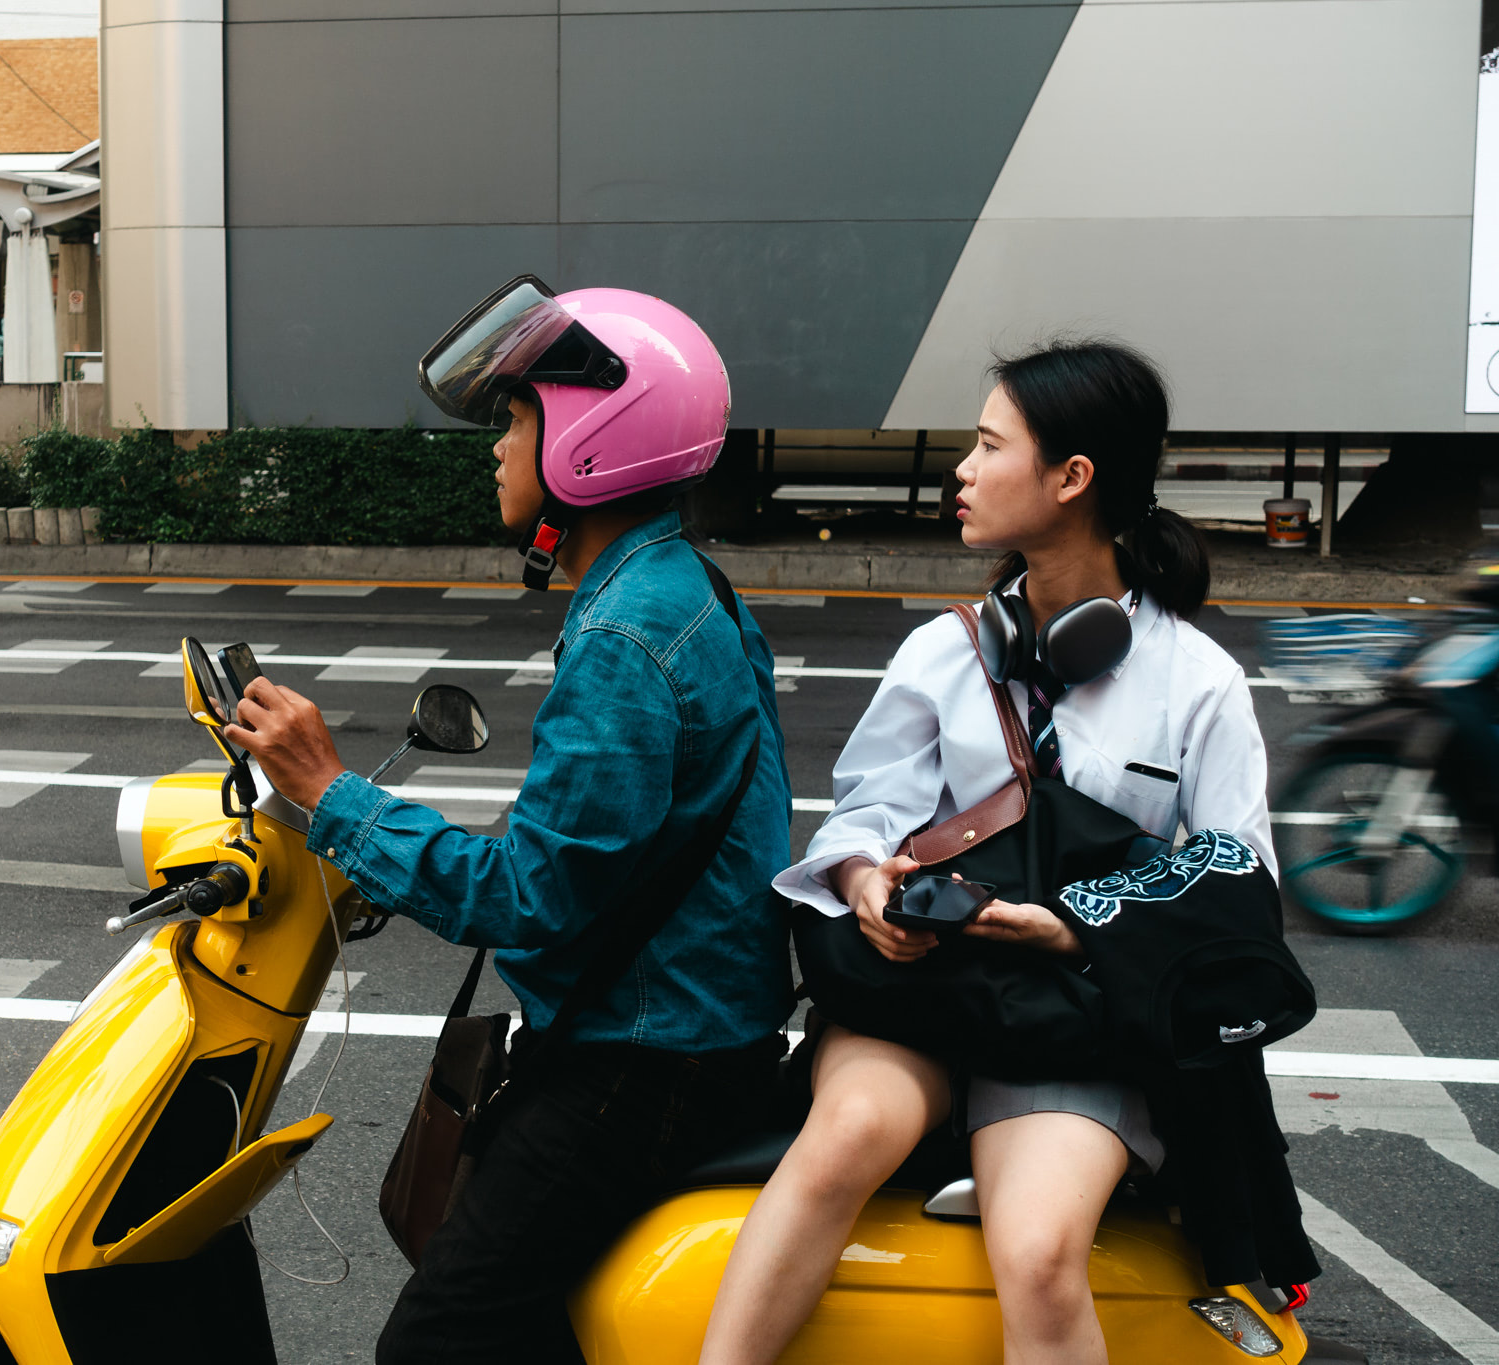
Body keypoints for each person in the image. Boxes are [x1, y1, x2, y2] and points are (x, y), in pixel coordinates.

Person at [222, 278, 795, 1365]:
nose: (497, 447)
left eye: (517, 418)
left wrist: (329, 794)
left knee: (437, 1349)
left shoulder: (628, 637)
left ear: (591, 440)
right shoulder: (686, 588)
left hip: (636, 1068)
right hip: (692, 1039)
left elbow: (530, 900)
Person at [699, 340, 1275, 1365]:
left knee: (1041, 1250)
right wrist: (864, 881)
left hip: (1080, 1020)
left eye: (984, 445)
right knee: (839, 1145)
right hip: (927, 994)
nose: (960, 470)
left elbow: (1238, 876)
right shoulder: (942, 649)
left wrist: (1065, 925)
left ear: (1070, 478)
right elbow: (862, 811)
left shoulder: (1196, 680)